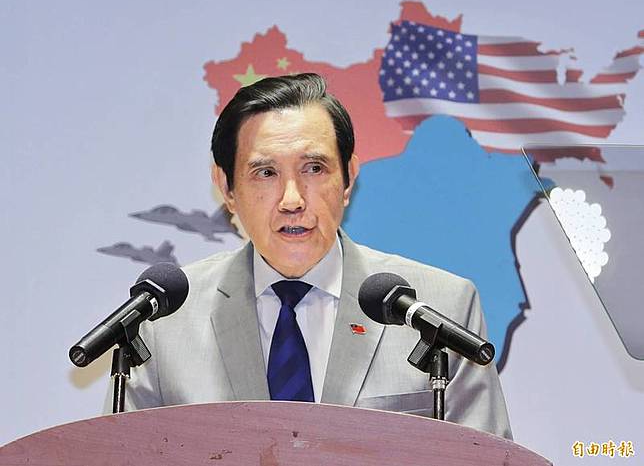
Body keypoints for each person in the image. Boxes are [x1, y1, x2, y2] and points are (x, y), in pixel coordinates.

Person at [121, 73, 512, 439]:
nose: (292, 200)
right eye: (265, 173)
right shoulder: (163, 319)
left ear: (348, 178)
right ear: (226, 188)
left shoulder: (441, 305)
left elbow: (491, 460)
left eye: (314, 168)